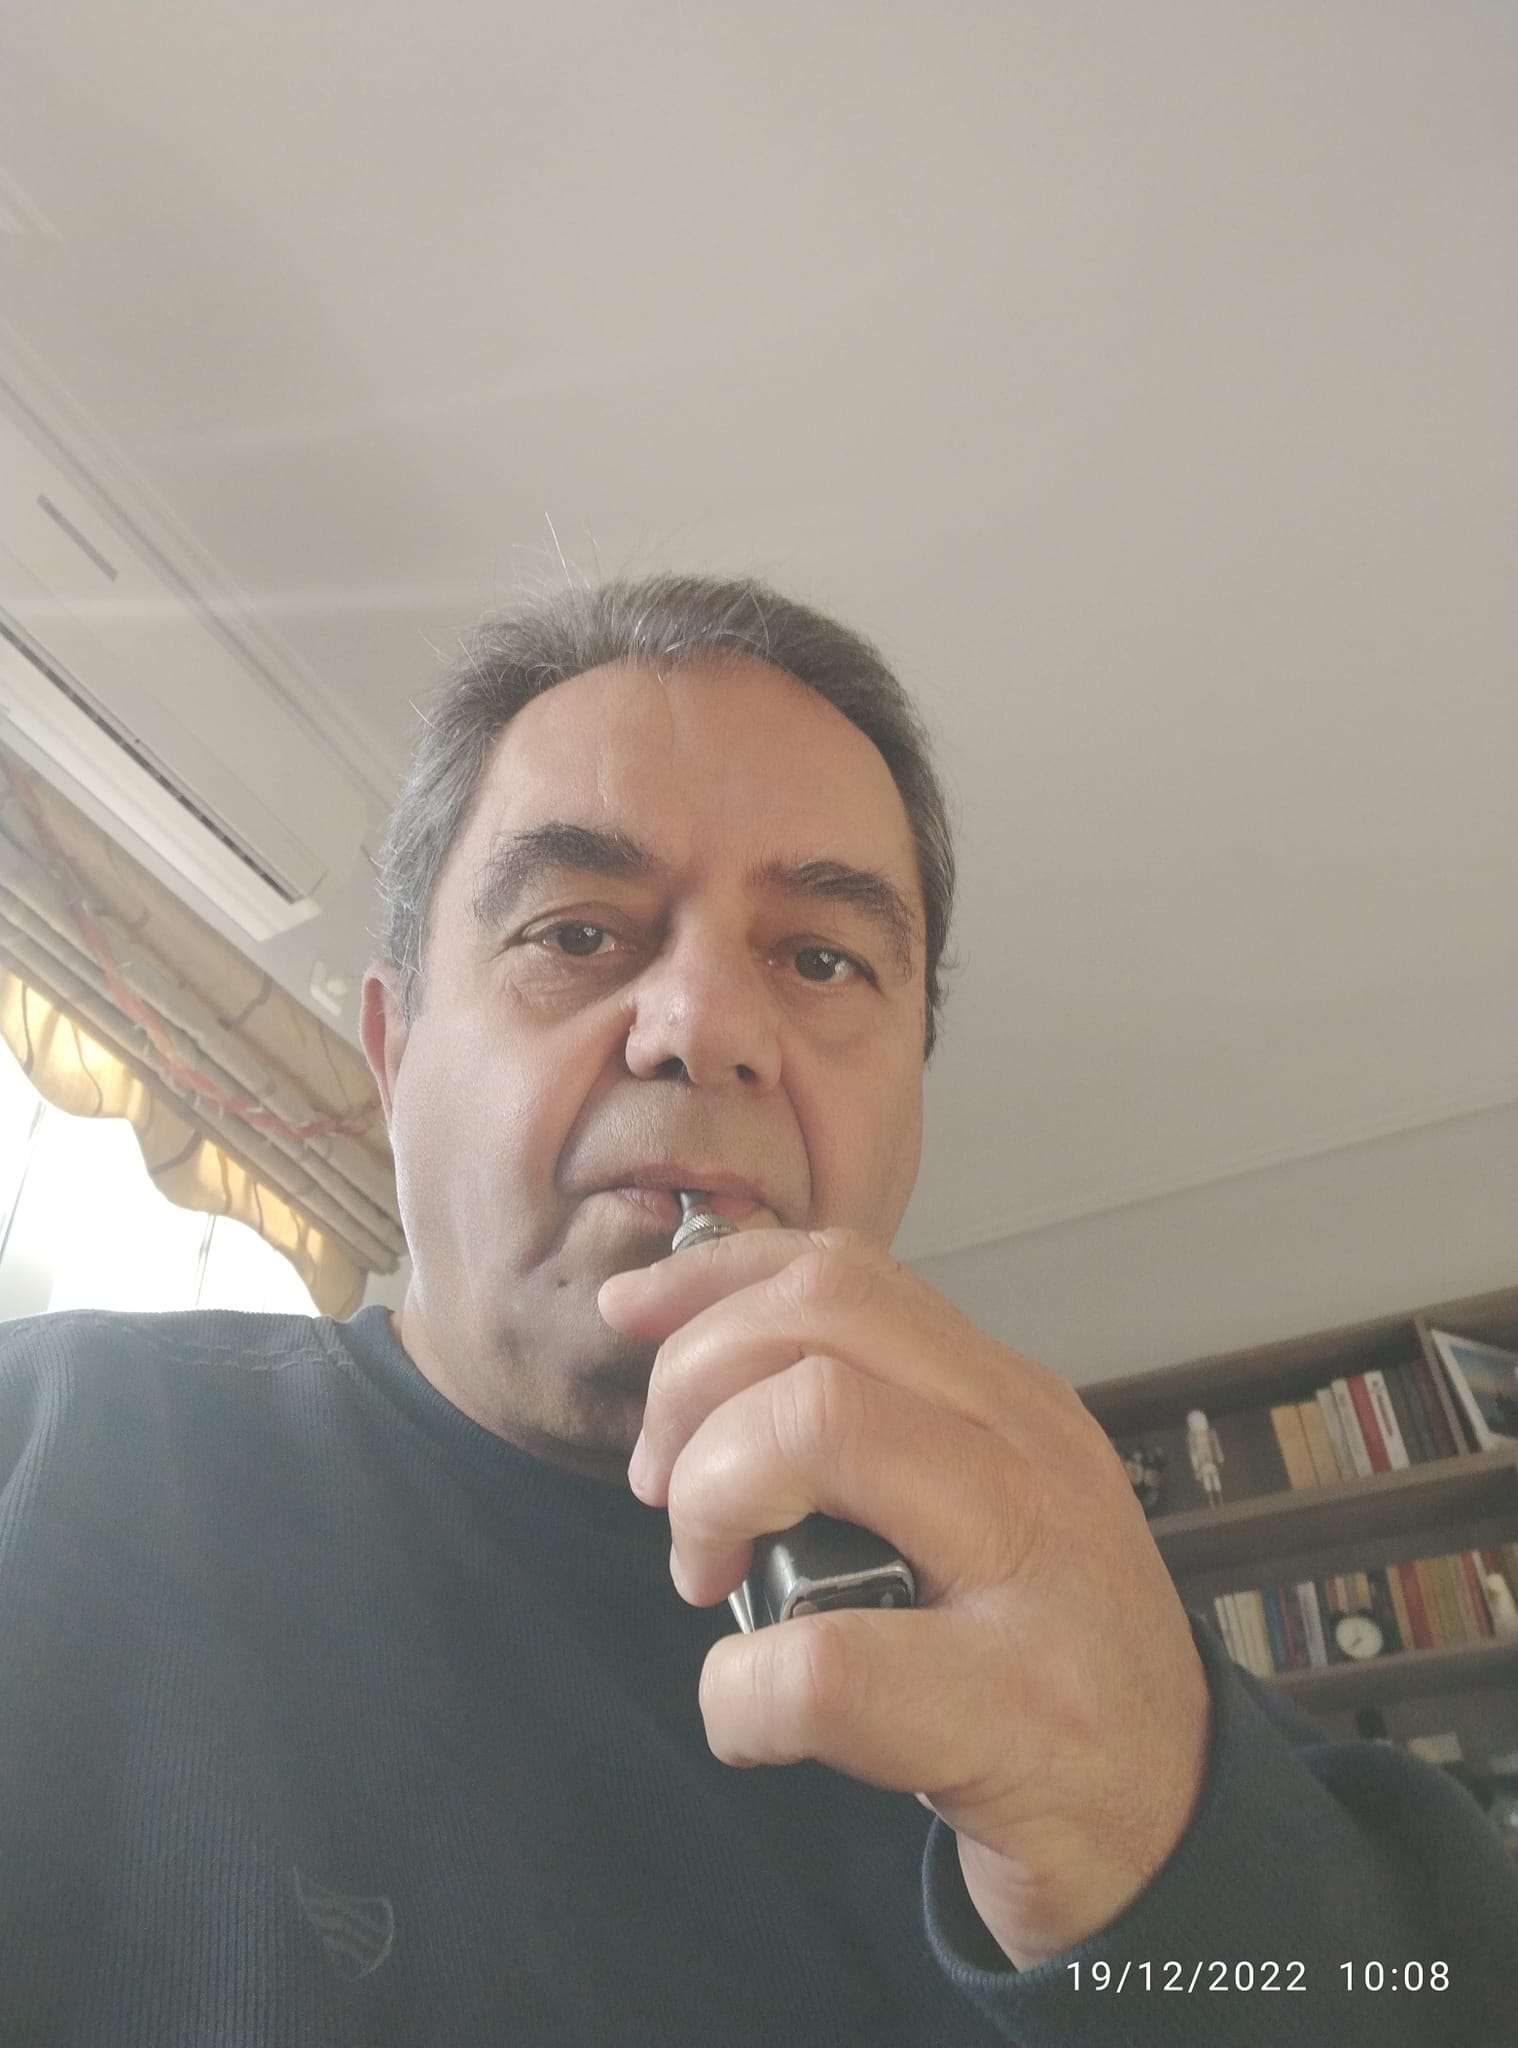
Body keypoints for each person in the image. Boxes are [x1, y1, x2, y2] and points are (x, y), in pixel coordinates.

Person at [2, 571, 1513, 2045]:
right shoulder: (42, 1447)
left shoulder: (1098, 1686)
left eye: (820, 959)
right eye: (575, 933)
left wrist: (1169, 1866)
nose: (707, 1025)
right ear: (393, 1059)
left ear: (909, 1109)